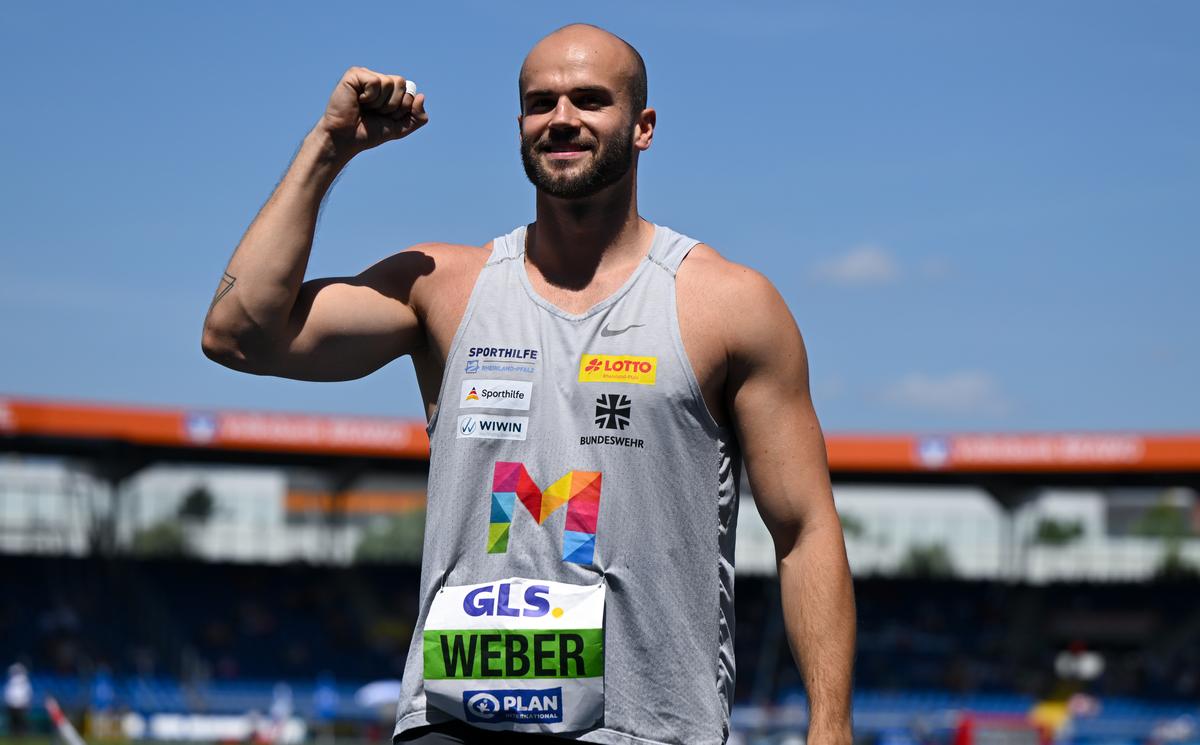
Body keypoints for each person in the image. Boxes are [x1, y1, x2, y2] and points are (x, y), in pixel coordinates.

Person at [201, 23, 854, 745]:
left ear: (643, 127)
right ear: (519, 126)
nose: (562, 117)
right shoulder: (445, 288)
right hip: (456, 717)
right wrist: (329, 147)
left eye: (589, 99)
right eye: (541, 102)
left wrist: (831, 726)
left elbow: (804, 529)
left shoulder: (728, 306)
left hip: (649, 726)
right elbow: (238, 333)